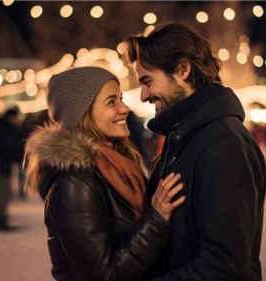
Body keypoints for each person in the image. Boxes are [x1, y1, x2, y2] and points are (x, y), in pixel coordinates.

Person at [122, 23, 266, 280]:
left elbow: (224, 266)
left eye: (148, 82)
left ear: (182, 70)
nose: (143, 95)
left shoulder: (224, 143)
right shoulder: (181, 137)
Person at [24, 66, 186, 281]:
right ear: (82, 114)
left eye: (121, 98)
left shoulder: (120, 165)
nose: (124, 108)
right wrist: (156, 219)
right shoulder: (75, 183)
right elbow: (102, 275)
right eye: (111, 102)